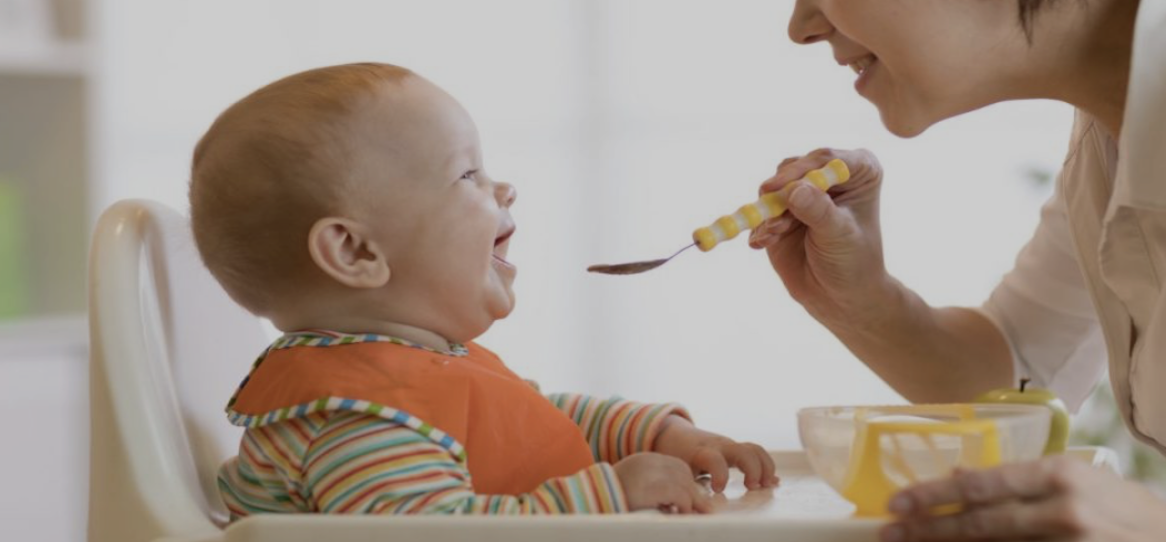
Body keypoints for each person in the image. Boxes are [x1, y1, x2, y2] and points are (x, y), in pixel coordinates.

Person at [735, 0, 1166, 539]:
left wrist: (1158, 530)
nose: (800, 24)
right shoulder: (1119, 115)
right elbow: (1016, 380)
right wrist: (863, 300)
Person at [189, 62, 776, 517]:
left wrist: (664, 434)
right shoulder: (357, 419)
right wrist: (607, 496)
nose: (504, 188)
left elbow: (541, 418)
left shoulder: (416, 372)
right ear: (355, 252)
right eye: (467, 174)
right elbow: (439, 530)